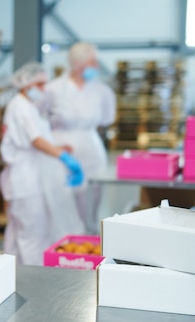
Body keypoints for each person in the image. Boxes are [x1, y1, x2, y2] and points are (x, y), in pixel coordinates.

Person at [0, 62, 85, 266]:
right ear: (25, 83)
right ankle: (32, 278)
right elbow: (35, 140)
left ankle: (13, 273)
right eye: (39, 84)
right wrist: (62, 157)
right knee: (31, 234)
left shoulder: (28, 106)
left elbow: (38, 137)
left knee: (19, 231)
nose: (42, 89)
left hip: (30, 179)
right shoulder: (20, 106)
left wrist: (60, 147)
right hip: (25, 182)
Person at [41, 42, 117, 234]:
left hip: (91, 152)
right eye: (92, 62)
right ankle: (62, 245)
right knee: (61, 204)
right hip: (60, 153)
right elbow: (40, 121)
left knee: (91, 203)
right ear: (77, 63)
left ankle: (89, 242)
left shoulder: (102, 91)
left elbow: (108, 119)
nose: (96, 66)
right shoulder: (53, 89)